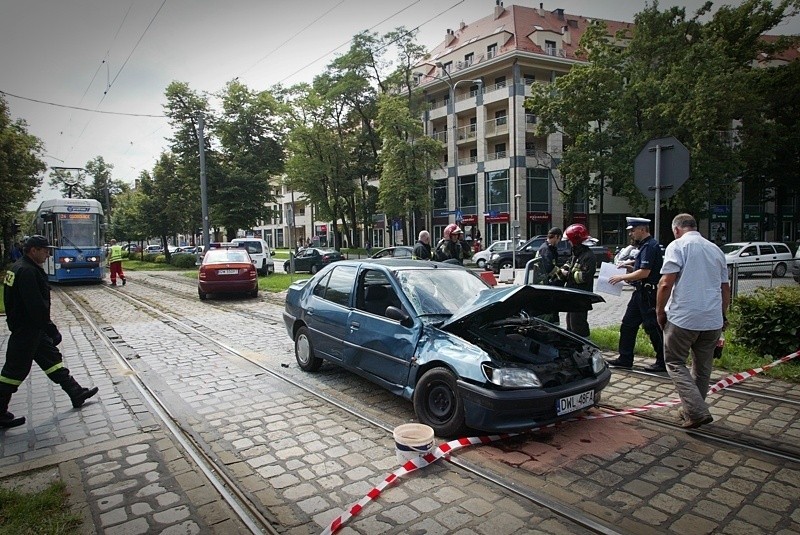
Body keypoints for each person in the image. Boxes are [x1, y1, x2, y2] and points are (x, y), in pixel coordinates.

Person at [0, 235, 99, 428]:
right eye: (45, 250)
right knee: (14, 371)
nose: (48, 253)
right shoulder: (28, 271)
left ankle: (76, 392)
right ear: (33, 250)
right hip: (28, 330)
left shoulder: (18, 267)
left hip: (29, 329)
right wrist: (50, 328)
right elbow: (36, 306)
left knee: (52, 361)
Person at [656, 214, 730, 429]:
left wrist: (660, 312)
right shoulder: (715, 249)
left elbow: (665, 283)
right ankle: (691, 410)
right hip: (712, 320)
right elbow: (725, 287)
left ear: (676, 229)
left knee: (675, 362)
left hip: (684, 318)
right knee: (703, 367)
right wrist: (722, 314)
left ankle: (696, 411)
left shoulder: (677, 246)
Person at [606, 217, 665, 372]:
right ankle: (625, 358)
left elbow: (645, 272)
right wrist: (628, 266)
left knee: (652, 327)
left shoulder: (650, 246)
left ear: (642, 229)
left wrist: (621, 277)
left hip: (648, 293)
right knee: (628, 325)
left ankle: (663, 361)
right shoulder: (645, 246)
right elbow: (640, 268)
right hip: (640, 292)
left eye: (633, 230)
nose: (631, 234)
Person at [556, 223, 597, 337]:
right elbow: (568, 264)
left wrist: (568, 274)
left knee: (578, 324)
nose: (568, 243)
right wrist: (561, 272)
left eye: (569, 240)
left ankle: (585, 347)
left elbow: (584, 277)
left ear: (575, 240)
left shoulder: (588, 256)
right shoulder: (577, 254)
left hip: (581, 297)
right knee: (570, 324)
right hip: (572, 295)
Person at [534, 227, 563, 324]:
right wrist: (562, 273)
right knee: (549, 313)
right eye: (559, 239)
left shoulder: (548, 248)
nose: (559, 242)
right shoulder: (546, 249)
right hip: (546, 285)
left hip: (547, 284)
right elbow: (548, 268)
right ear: (556, 236)